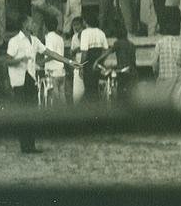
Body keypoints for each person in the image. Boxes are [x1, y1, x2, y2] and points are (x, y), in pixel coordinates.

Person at [6, 16, 76, 153]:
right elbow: (8, 60)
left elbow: (49, 53)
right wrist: (21, 60)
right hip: (19, 80)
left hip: (30, 78)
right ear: (25, 24)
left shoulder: (35, 40)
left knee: (31, 112)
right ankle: (24, 145)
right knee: (22, 113)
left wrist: (67, 61)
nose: (34, 24)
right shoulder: (14, 41)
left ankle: (30, 145)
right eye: (31, 22)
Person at [71, 15, 108, 102]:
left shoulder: (85, 33)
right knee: (95, 88)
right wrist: (100, 61)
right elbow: (106, 50)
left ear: (86, 22)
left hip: (88, 63)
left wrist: (81, 67)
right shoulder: (101, 32)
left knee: (88, 89)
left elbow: (84, 52)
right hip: (98, 63)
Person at [152, 26, 181, 109]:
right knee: (177, 105)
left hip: (164, 77)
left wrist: (156, 74)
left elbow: (154, 63)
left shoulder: (159, 43)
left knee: (162, 105)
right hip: (178, 77)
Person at [41, 19, 67, 106]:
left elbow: (51, 55)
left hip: (52, 71)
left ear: (45, 27)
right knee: (62, 95)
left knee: (54, 98)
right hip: (61, 70)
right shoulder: (60, 38)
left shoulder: (48, 37)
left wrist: (40, 62)